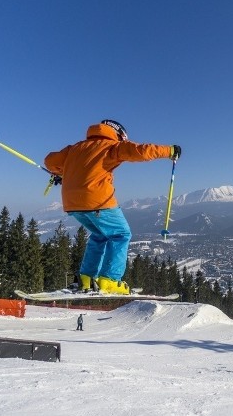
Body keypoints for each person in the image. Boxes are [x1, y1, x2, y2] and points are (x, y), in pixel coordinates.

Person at [45, 119, 181, 295]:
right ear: (119, 135)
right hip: (97, 201)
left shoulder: (75, 148)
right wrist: (170, 151)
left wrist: (62, 172)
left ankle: (86, 278)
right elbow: (141, 151)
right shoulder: (111, 146)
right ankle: (110, 280)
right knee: (121, 235)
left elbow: (49, 160)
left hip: (71, 203)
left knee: (99, 235)